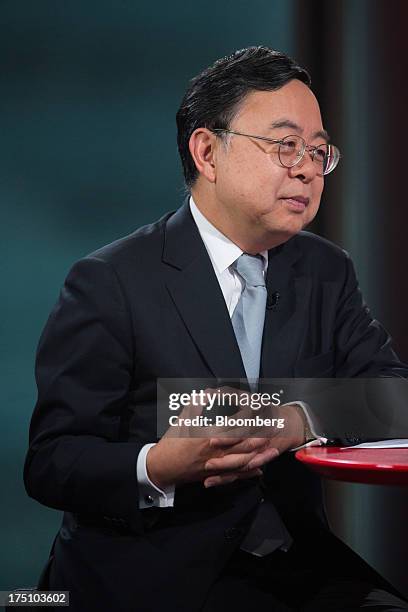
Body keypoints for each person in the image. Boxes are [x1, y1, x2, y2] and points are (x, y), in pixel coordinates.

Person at [24, 46, 408, 611]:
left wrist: (298, 418)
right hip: (144, 575)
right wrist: (159, 465)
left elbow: (395, 396)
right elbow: (52, 461)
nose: (306, 167)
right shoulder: (110, 280)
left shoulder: (326, 270)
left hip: (292, 567)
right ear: (207, 151)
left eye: (318, 151)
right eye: (284, 145)